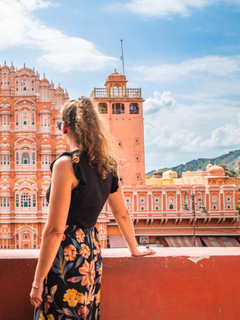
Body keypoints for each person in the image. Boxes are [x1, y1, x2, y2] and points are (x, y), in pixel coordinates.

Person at [30, 98, 155, 320]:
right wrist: (133, 248)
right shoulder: (106, 164)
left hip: (66, 255)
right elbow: (122, 214)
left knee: (61, 312)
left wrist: (37, 282)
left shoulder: (66, 165)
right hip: (91, 253)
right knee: (85, 312)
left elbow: (55, 230)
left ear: (65, 127)